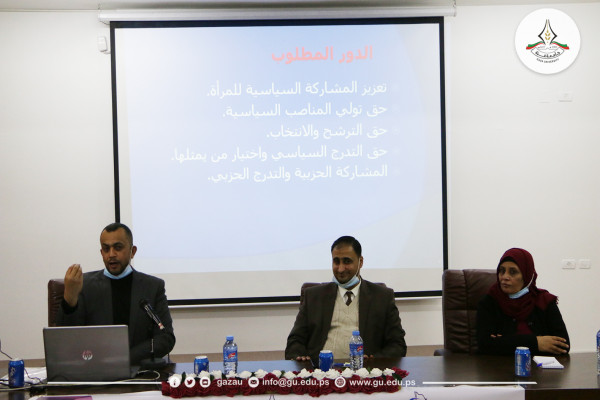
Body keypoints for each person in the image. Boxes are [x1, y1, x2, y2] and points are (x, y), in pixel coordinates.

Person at [57, 222, 176, 365]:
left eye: (118, 248)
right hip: (95, 368)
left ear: (132, 251)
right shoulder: (84, 285)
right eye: (106, 249)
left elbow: (166, 337)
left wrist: (125, 358)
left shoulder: (152, 287)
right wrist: (70, 300)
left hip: (138, 368)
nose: (111, 254)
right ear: (101, 253)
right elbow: (66, 339)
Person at [285, 236, 407, 362]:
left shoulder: (382, 297)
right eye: (336, 261)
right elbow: (295, 340)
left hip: (364, 371)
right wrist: (302, 359)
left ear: (360, 262)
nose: (340, 268)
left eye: (347, 261)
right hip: (320, 370)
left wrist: (374, 361)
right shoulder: (313, 296)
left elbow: (397, 345)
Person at [476, 247, 569, 356]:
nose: (505, 277)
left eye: (513, 272)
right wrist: (537, 342)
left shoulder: (544, 301)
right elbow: (485, 345)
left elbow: (563, 345)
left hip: (539, 366)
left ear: (526, 275)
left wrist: (504, 341)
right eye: (502, 271)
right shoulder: (489, 302)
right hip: (499, 365)